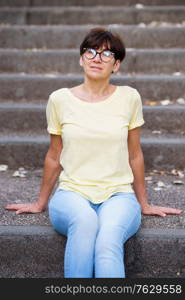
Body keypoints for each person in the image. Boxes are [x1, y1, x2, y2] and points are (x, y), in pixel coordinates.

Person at [5, 27, 182, 278]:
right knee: (85, 223)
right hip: (71, 194)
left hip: (118, 195)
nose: (97, 58)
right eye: (90, 51)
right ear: (81, 59)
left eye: (106, 54)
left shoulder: (129, 97)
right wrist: (40, 202)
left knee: (109, 238)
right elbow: (55, 155)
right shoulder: (59, 99)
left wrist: (143, 203)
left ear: (116, 65)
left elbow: (135, 154)